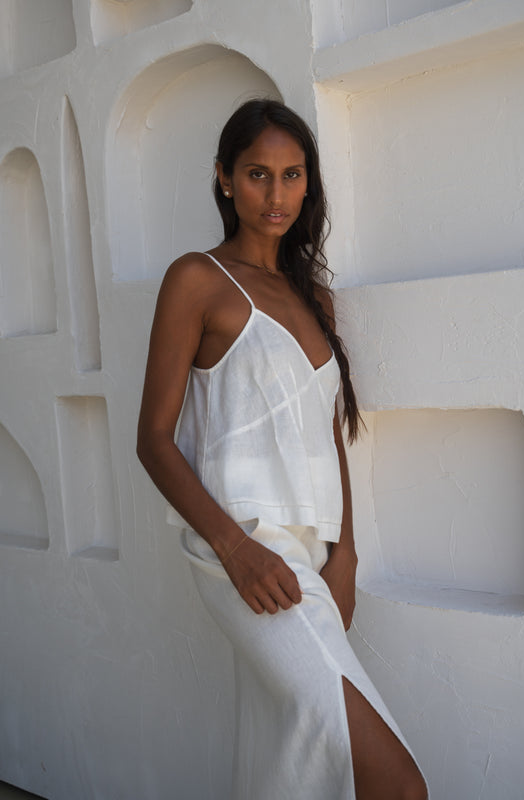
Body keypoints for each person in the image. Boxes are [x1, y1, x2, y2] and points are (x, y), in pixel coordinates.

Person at [137, 99, 428, 800]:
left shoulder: (313, 299)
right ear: (224, 178)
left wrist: (346, 553)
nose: (276, 193)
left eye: (292, 175)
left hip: (312, 556)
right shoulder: (196, 280)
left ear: (308, 183)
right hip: (244, 548)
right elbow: (153, 439)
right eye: (257, 174)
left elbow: (327, 431)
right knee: (397, 784)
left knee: (289, 758)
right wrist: (235, 550)